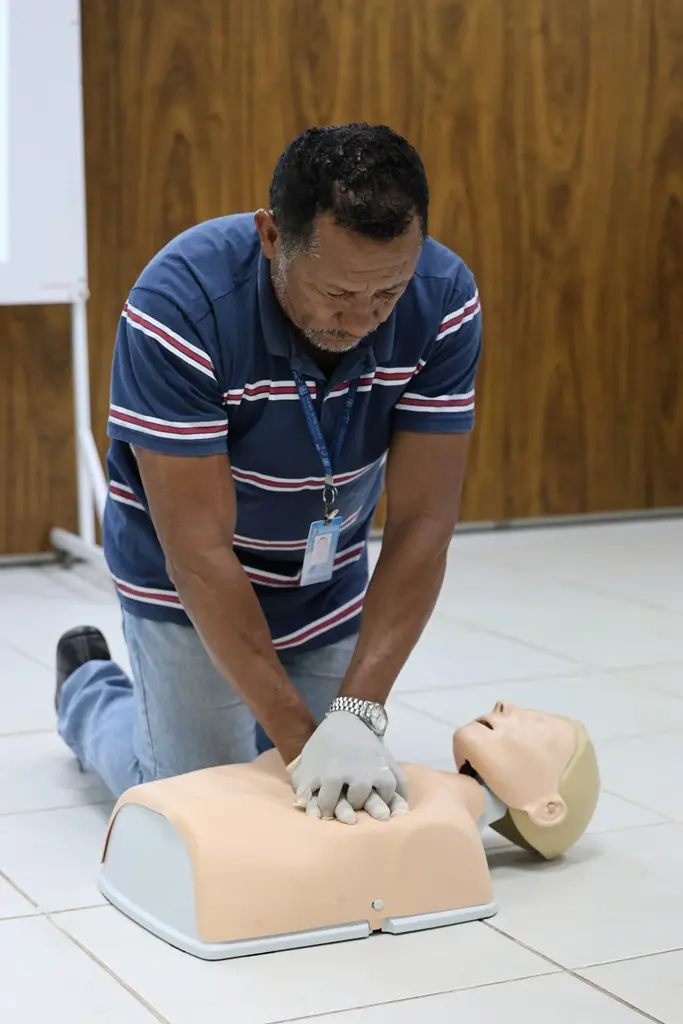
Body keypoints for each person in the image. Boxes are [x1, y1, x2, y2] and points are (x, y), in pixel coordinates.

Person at [55, 122, 483, 824]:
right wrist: (299, 741)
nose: (364, 319)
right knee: (193, 795)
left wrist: (356, 713)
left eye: (386, 294)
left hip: (321, 569)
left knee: (315, 786)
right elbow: (195, 551)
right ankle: (89, 691)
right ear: (271, 236)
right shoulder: (180, 303)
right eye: (338, 293)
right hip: (182, 575)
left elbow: (424, 522)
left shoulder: (442, 297)